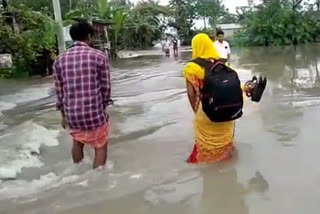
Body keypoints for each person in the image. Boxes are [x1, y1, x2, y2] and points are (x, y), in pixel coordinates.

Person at [183, 33, 263, 164]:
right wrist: (247, 89)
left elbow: (191, 94)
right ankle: (227, 170)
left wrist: (197, 112)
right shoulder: (222, 66)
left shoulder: (192, 68)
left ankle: (209, 171)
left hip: (206, 114)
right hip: (226, 113)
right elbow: (231, 89)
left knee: (205, 149)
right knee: (225, 147)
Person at [53, 21, 112, 169]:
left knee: (77, 142)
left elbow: (59, 91)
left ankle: (78, 173)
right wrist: (103, 108)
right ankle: (97, 180)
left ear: (72, 37)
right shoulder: (99, 56)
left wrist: (63, 115)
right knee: (100, 146)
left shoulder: (59, 59)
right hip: (94, 112)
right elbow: (105, 87)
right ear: (89, 36)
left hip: (72, 114)